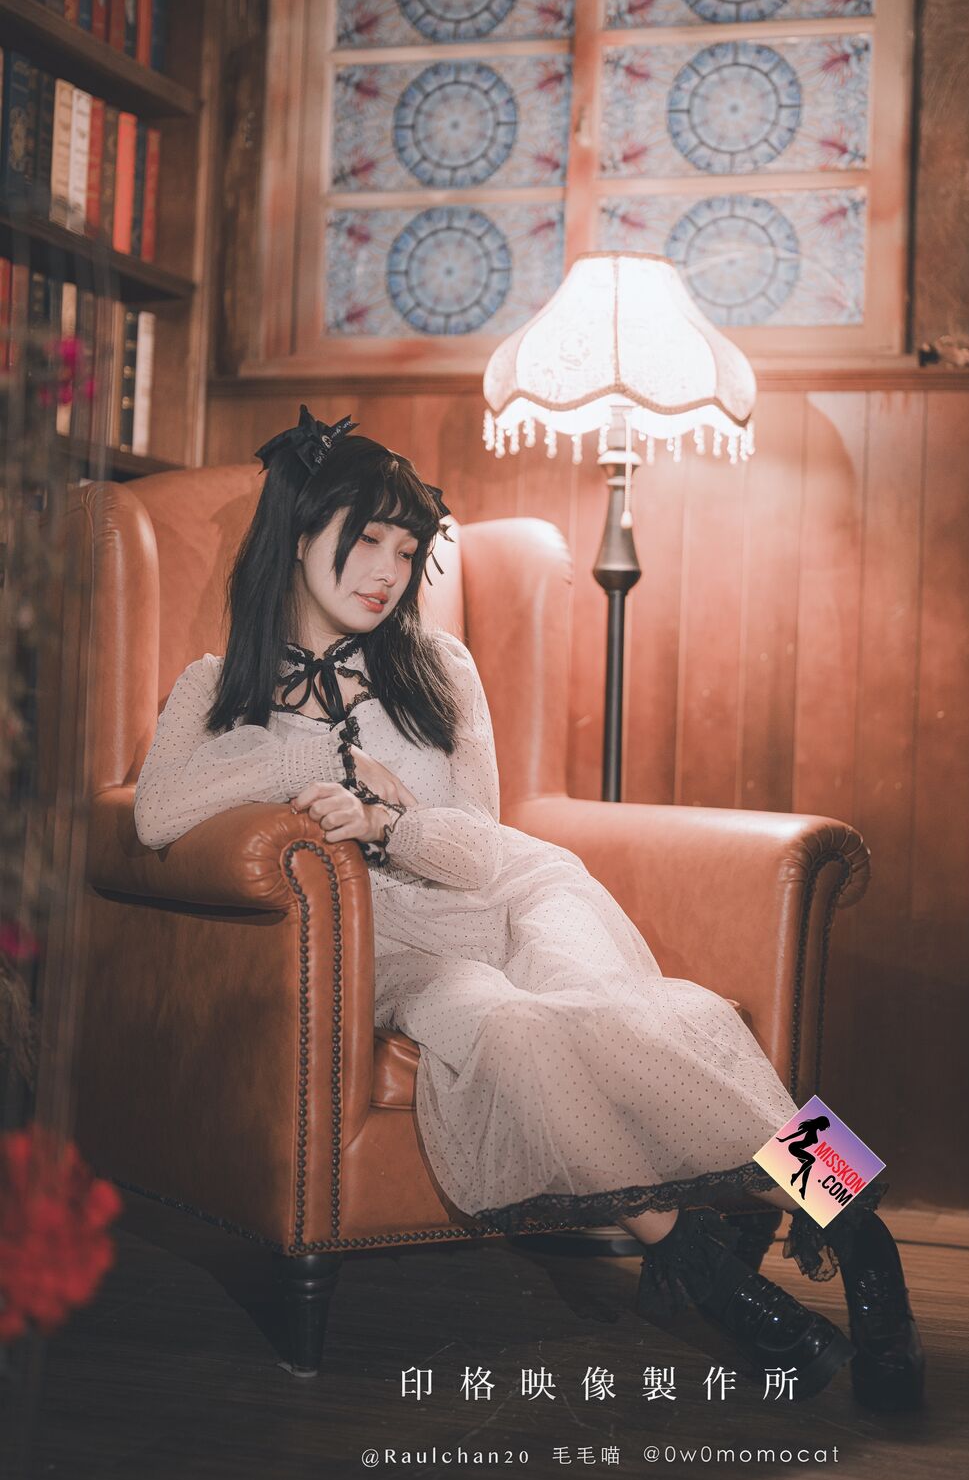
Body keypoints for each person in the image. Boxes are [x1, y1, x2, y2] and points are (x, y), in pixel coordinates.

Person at [132, 406, 923, 1410]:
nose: (387, 572)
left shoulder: (438, 667)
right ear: (298, 535)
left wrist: (385, 818)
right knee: (512, 1035)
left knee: (647, 1014)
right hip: (400, 948)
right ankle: (707, 1271)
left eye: (408, 550)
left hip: (515, 892)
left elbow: (476, 847)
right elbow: (156, 814)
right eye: (367, 540)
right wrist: (306, 756)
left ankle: (857, 1225)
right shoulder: (216, 688)